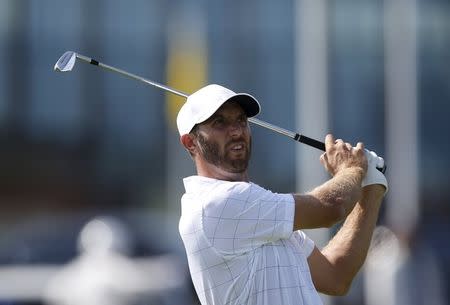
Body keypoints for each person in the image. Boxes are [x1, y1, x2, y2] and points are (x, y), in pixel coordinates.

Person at [176, 84, 388, 305]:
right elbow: (332, 206)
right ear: (190, 143)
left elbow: (335, 275)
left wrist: (371, 188)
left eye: (241, 120)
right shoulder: (214, 204)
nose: (237, 131)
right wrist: (352, 168)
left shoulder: (261, 212)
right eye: (219, 123)